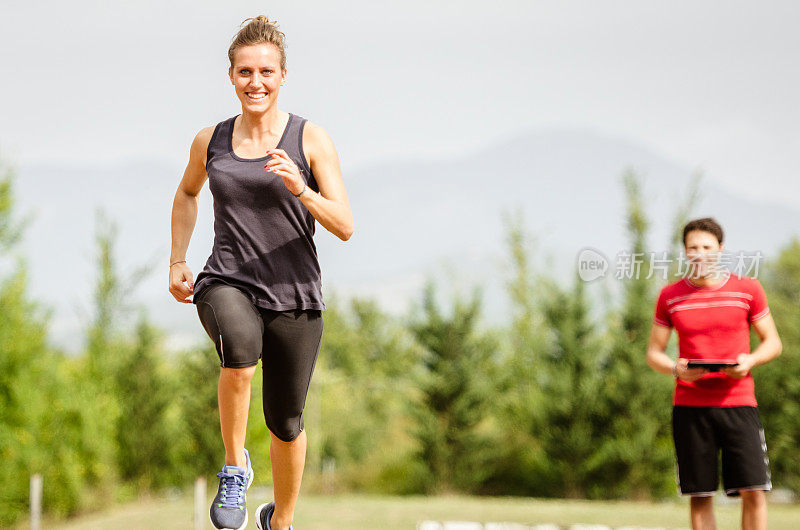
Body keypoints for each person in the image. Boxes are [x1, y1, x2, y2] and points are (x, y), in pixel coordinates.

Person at [168, 15, 353, 530]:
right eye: (245, 71)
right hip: (227, 279)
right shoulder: (212, 141)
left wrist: (303, 188)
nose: (256, 82)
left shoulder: (310, 139)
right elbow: (187, 192)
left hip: (294, 294)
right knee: (240, 355)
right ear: (230, 75)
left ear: (283, 76)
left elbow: (345, 225)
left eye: (266, 72)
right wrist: (178, 259)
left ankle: (282, 520)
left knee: (286, 423)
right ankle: (233, 468)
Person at [646, 217, 782, 530]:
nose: (700, 253)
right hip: (690, 408)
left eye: (707, 246)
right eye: (693, 247)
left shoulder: (748, 289)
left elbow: (773, 342)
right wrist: (676, 369)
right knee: (700, 494)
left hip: (740, 403)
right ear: (685, 251)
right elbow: (654, 353)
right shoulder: (670, 295)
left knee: (754, 491)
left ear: (720, 249)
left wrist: (749, 361)